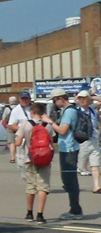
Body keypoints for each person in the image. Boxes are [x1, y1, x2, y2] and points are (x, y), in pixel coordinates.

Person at [42, 88, 84, 220]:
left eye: (55, 100)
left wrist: (50, 122)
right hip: (67, 148)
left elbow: (63, 130)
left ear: (61, 98)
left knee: (69, 180)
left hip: (69, 149)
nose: (54, 103)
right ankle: (74, 208)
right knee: (67, 179)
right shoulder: (67, 111)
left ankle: (75, 210)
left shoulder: (69, 112)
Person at [16, 102, 52, 223]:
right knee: (43, 186)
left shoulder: (26, 124)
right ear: (42, 113)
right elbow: (52, 140)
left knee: (31, 186)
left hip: (30, 158)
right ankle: (40, 215)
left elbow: (18, 141)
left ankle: (29, 213)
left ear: (31, 112)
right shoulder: (48, 125)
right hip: (45, 158)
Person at [73, 90, 101, 195]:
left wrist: (92, 98)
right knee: (79, 165)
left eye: (84, 98)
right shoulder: (76, 111)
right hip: (81, 141)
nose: (82, 100)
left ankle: (97, 186)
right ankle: (69, 183)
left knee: (95, 164)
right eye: (80, 98)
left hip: (93, 139)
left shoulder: (93, 111)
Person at [2, 95, 19, 162]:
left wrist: (6, 125)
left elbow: (4, 119)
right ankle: (19, 156)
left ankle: (13, 158)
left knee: (12, 142)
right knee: (19, 141)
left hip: (10, 126)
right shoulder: (19, 108)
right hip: (18, 126)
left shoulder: (7, 109)